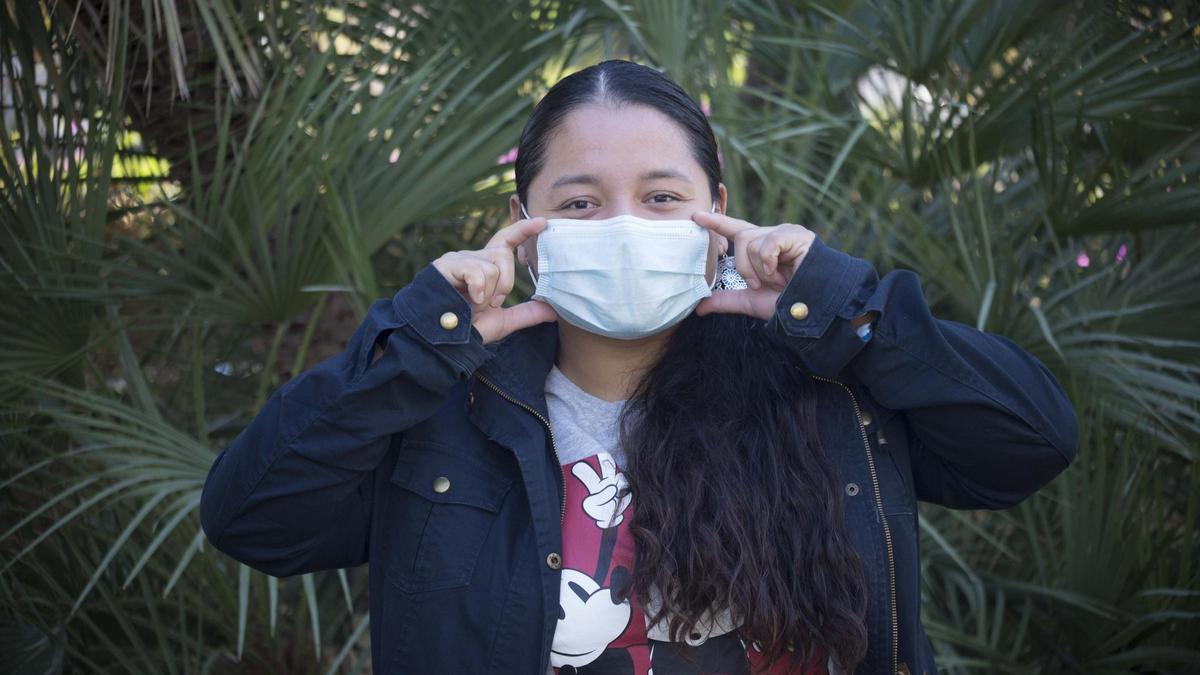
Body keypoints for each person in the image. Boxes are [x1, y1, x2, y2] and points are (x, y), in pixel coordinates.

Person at [199, 59, 1079, 675]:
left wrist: (845, 306)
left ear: (719, 212)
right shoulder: (441, 409)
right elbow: (253, 518)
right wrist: (420, 338)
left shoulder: (829, 383)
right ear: (523, 221)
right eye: (579, 202)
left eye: (663, 198)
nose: (624, 225)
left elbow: (1031, 441)